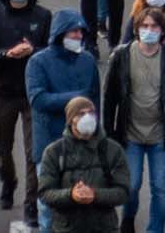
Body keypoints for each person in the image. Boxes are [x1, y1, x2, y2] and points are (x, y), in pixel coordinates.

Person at [102, 7, 165, 233]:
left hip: (161, 134)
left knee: (160, 189)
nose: (149, 31)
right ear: (137, 29)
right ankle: (128, 219)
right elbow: (110, 99)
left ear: (162, 31)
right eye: (144, 26)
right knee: (130, 186)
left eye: (154, 27)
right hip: (130, 134)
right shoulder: (121, 55)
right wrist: (109, 135)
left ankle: (155, 230)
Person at [0, 0, 51, 220]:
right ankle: (8, 182)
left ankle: (32, 198)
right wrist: (7, 54)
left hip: (34, 91)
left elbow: (51, 48)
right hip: (5, 91)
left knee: (35, 149)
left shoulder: (42, 16)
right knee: (2, 146)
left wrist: (35, 51)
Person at [37, 93, 129, 233]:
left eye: (91, 113)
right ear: (70, 120)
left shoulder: (113, 150)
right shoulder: (54, 152)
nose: (88, 118)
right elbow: (45, 193)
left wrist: (94, 194)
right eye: (81, 114)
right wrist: (71, 195)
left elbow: (123, 192)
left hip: (103, 228)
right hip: (67, 229)